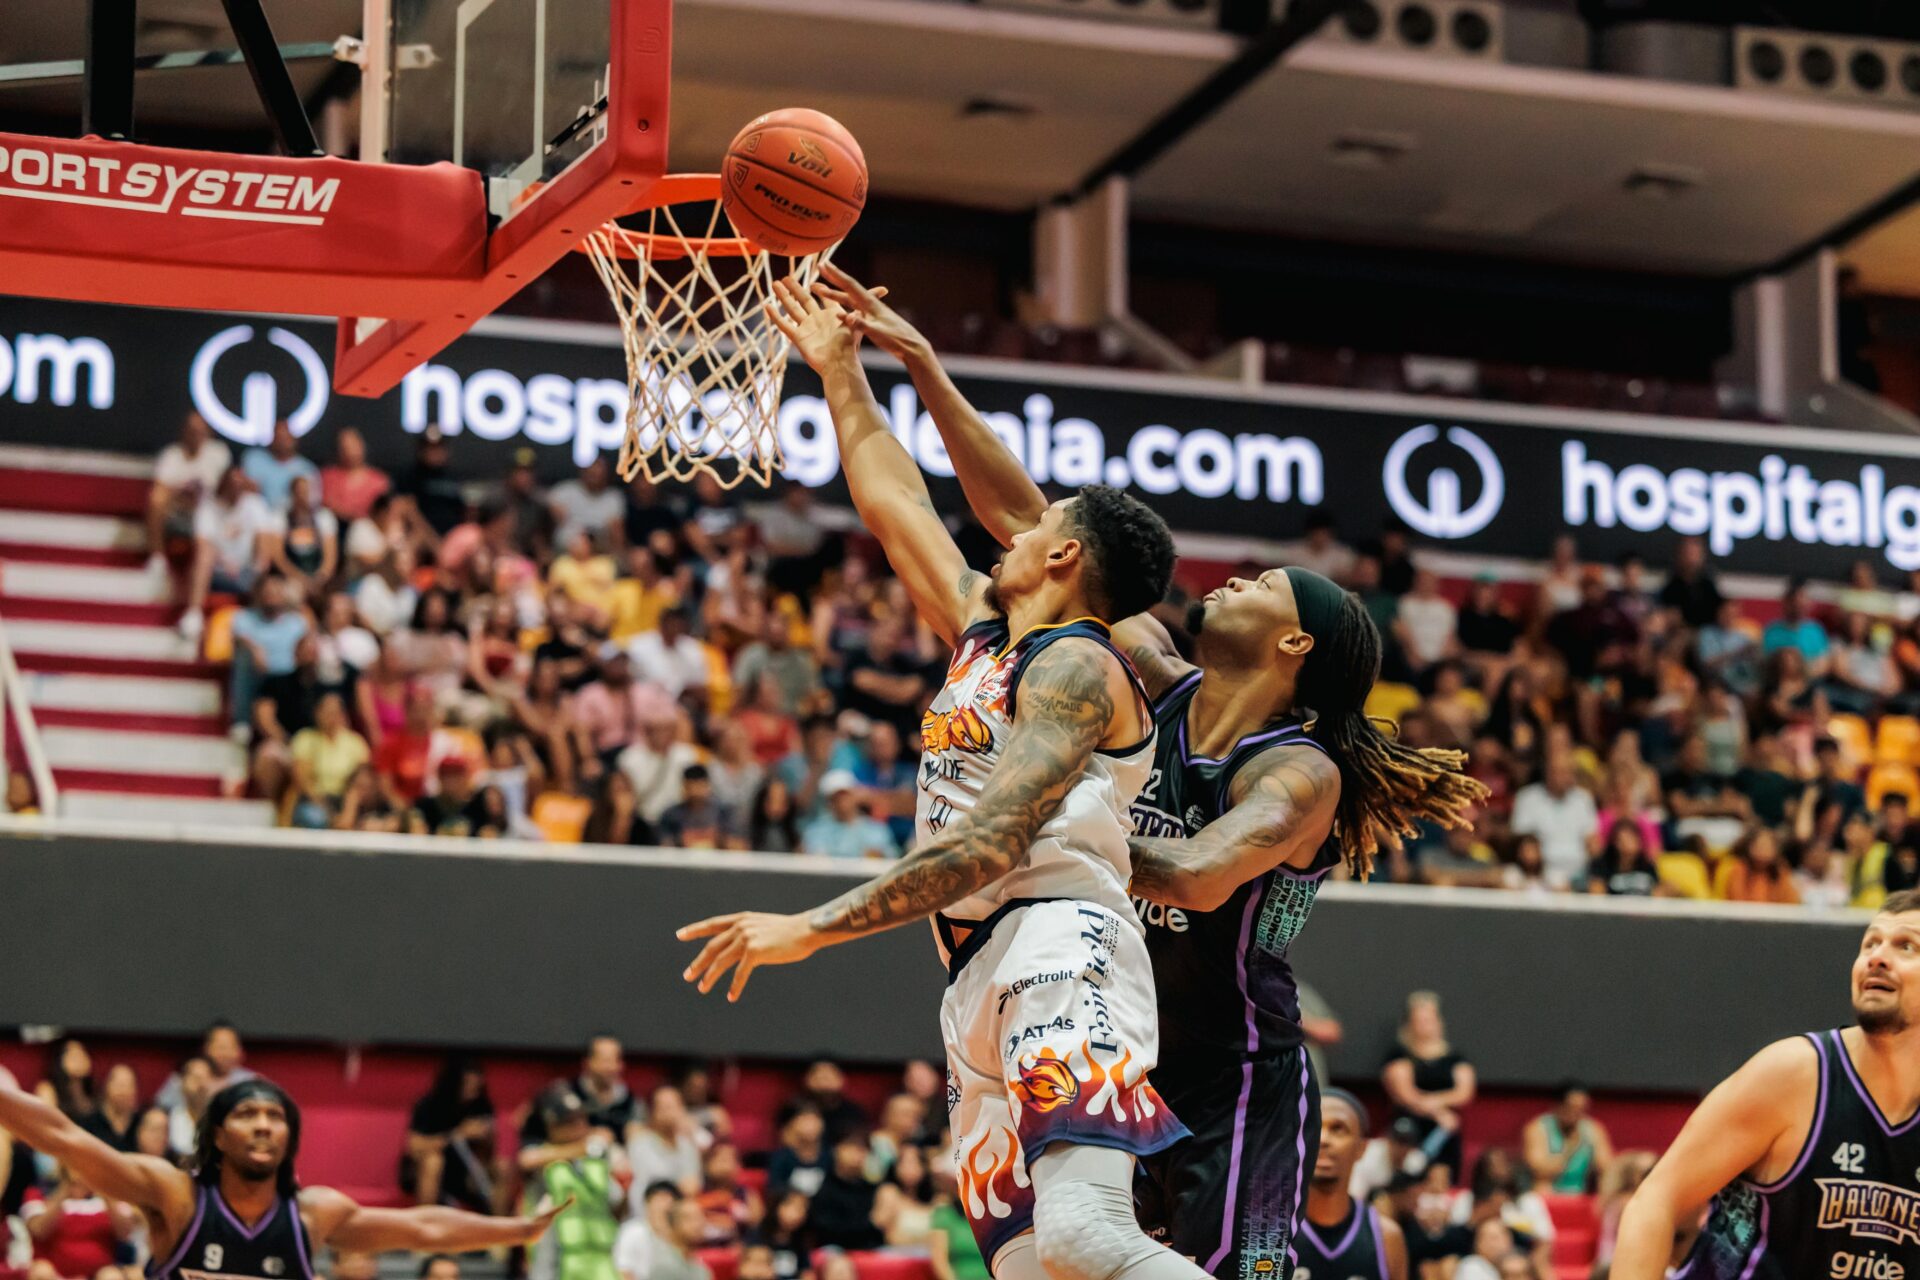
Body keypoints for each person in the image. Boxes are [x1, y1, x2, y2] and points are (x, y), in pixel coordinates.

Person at [812, 264, 1483, 1280]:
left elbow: (1200, 876)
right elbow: (1033, 526)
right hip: (1114, 1029)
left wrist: (1030, 834)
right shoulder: (1156, 674)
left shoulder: (1298, 774)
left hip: (1232, 1077)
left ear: (1293, 644)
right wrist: (926, 368)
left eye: (1262, 583)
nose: (1236, 578)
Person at [683, 272, 1189, 1280]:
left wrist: (810, 927)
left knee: (1089, 1235)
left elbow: (991, 841)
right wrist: (840, 370)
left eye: (1033, 527)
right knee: (1028, 1267)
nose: (1012, 530)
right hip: (974, 972)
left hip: (1062, 942)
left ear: (1063, 553)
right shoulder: (985, 633)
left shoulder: (1080, 667)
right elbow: (894, 500)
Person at [1612, 890, 1920, 1279]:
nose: (1877, 957)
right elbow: (1655, 1201)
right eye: (1870, 944)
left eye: (1906, 946)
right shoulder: (1795, 1074)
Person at [0, 1071, 565, 1280]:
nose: (264, 1126)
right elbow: (63, 1137)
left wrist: (516, 1230)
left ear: (290, 1139)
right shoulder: (176, 1196)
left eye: (275, 1118)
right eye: (247, 1114)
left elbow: (424, 1229)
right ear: (217, 1135)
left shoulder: (314, 1214)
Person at [1293, 1089, 1406, 1280]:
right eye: (1314, 1126)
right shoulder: (1267, 1231)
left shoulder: (1386, 1236)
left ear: (1361, 1148)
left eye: (1338, 1129)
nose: (1323, 1139)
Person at [522, 1085, 625, 1280]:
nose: (580, 1126)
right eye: (571, 1121)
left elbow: (617, 1201)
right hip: (556, 1259)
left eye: (582, 1119)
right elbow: (527, 1160)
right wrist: (584, 1147)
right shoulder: (543, 1155)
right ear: (551, 1125)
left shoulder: (595, 1160)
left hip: (601, 1260)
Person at [1381, 992, 1475, 1179]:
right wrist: (1438, 1113)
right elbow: (1405, 1093)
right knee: (1405, 1180)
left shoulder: (1455, 1058)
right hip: (1410, 1129)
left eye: (1429, 1020)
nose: (1425, 1025)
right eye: (1419, 1020)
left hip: (1445, 1132)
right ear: (1409, 1023)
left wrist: (1435, 1103)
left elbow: (1464, 1092)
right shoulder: (1399, 1055)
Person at [182, 467, 280, 641]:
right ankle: (194, 614)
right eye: (233, 485)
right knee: (204, 555)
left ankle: (263, 624)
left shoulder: (254, 504)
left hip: (248, 573)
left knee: (269, 566)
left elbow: (265, 541)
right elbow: (202, 543)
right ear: (223, 485)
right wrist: (225, 564)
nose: (237, 489)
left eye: (240, 485)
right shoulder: (208, 508)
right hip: (216, 572)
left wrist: (258, 568)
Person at [401, 1056, 498, 1213]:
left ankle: (498, 1224)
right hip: (430, 1173)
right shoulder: (429, 1105)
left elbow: (489, 1155)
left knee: (502, 1168)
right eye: (467, 1086)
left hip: (466, 1171)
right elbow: (413, 1147)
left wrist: (487, 1137)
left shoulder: (481, 1106)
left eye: (476, 1087)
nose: (472, 1092)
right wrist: (458, 1134)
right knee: (434, 1162)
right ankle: (426, 1221)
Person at [149, 412, 232, 580]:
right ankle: (157, 556)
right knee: (157, 498)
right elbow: (160, 486)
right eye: (192, 431)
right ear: (184, 432)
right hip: (178, 512)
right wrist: (181, 493)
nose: (196, 435)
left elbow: (226, 488)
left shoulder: (219, 453)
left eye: (200, 431)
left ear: (208, 433)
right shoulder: (171, 455)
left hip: (210, 512)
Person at [1522, 1083, 1614, 1195]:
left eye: (1581, 1109)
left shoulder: (1593, 1129)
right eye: (1571, 1108)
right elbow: (1539, 1170)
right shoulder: (1538, 1129)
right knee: (1542, 1186)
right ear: (1558, 1106)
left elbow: (1607, 1167)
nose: (1575, 1114)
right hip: (1548, 1193)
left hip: (1580, 1193)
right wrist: (1569, 1149)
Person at [799, 770, 899, 860]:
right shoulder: (816, 832)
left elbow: (892, 858)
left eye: (845, 795)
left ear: (855, 796)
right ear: (828, 802)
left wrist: (880, 855)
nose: (842, 801)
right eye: (835, 798)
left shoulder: (877, 830)